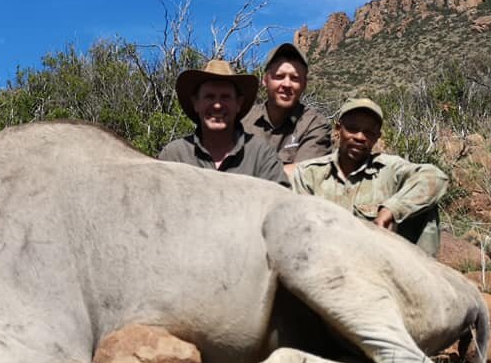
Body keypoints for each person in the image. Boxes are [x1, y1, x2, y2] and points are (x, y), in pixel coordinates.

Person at [291, 98, 448, 256]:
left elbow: (436, 177)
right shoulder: (309, 174)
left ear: (377, 137)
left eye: (369, 132)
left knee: (425, 206)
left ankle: (422, 274)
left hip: (379, 263)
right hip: (324, 260)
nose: (360, 137)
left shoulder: (389, 169)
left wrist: (392, 210)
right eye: (352, 129)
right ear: (338, 129)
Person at [159, 59, 289, 186]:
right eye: (209, 97)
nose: (217, 105)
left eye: (225, 97)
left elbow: (283, 202)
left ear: (238, 103)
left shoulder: (261, 155)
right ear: (196, 103)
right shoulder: (174, 156)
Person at [242, 42, 331, 177]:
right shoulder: (243, 120)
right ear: (265, 80)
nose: (287, 84)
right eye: (279, 76)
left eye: (295, 78)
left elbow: (306, 175)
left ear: (304, 84)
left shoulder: (315, 125)